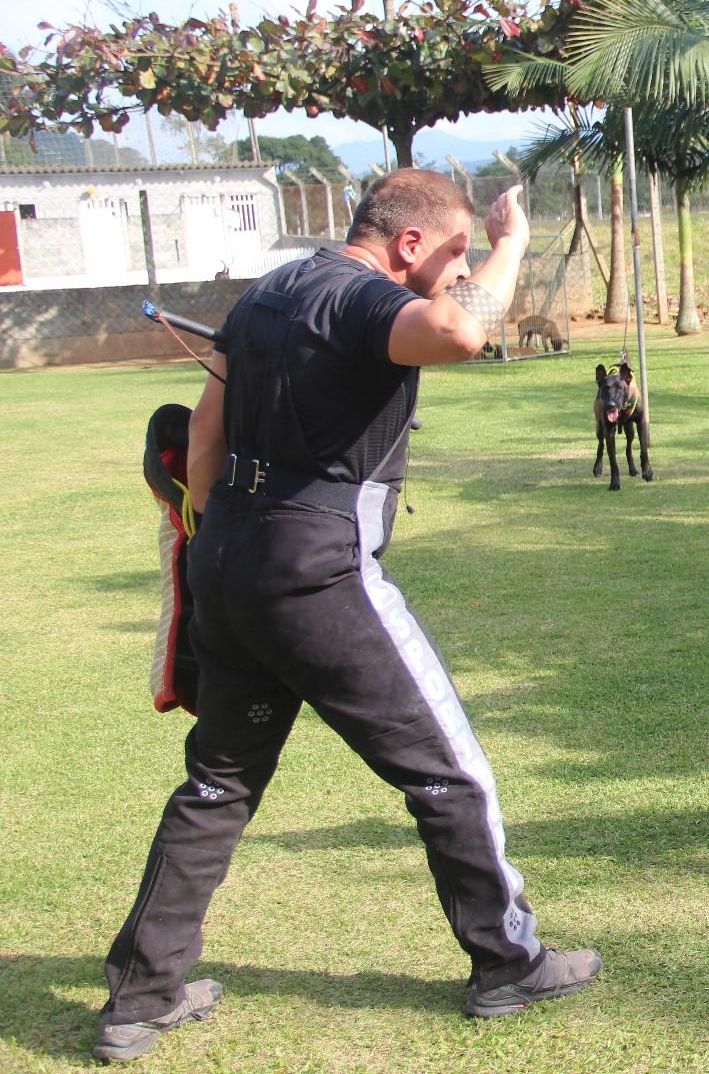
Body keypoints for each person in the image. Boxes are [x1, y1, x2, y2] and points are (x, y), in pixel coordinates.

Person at [95, 170, 600, 1064]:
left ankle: (141, 996)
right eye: (452, 255)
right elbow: (460, 330)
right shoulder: (365, 300)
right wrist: (511, 242)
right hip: (317, 569)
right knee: (452, 774)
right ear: (409, 244)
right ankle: (507, 961)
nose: (457, 272)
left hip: (232, 559)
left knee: (216, 785)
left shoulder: (267, 294)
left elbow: (205, 440)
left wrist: (221, 561)